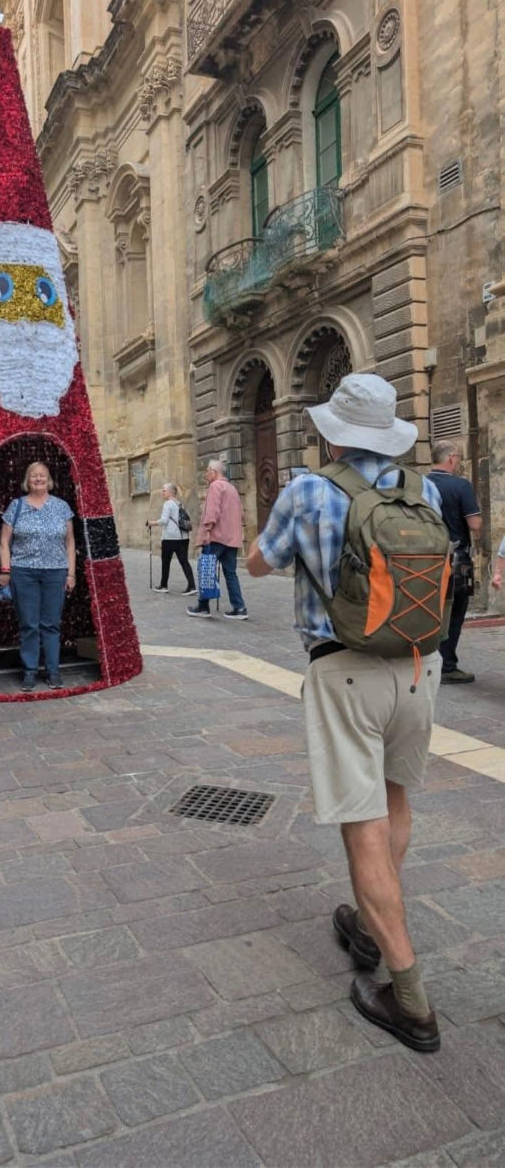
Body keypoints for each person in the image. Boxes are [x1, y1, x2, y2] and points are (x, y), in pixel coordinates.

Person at [247, 373, 445, 1053]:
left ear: (334, 434)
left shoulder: (308, 490)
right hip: (418, 668)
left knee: (362, 826)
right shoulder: (422, 490)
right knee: (394, 800)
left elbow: (258, 564)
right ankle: (367, 924)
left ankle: (409, 997)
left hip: (346, 669)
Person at [0, 461, 76, 692]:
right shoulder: (17, 506)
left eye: (42, 475)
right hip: (24, 572)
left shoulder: (61, 506)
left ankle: (53, 671)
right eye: (34, 475)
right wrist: (5, 570)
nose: (38, 479)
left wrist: (71, 573)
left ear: (49, 480)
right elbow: (4, 542)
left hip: (55, 571)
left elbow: (70, 542)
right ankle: (30, 671)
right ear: (27, 480)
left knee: (51, 624)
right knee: (29, 624)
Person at [427, 441, 482, 684]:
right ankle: (447, 665)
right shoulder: (461, 485)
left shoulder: (421, 484)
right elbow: (475, 524)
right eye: (458, 457)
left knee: (430, 609)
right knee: (456, 609)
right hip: (457, 558)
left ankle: (427, 660)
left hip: (425, 557)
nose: (458, 462)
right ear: (450, 458)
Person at [187, 460, 248, 620]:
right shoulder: (232, 488)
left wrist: (207, 530)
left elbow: (212, 511)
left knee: (206, 570)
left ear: (214, 472)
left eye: (207, 471)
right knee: (230, 573)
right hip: (232, 538)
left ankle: (203, 606)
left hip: (216, 536)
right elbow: (241, 514)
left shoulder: (215, 486)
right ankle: (239, 607)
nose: (206, 474)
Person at [147, 483, 196, 595]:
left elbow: (164, 520)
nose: (162, 492)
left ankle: (164, 585)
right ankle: (192, 586)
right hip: (184, 537)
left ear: (171, 492)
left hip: (170, 538)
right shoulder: (179, 504)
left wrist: (152, 523)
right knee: (184, 561)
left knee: (166, 561)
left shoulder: (168, 504)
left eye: (164, 490)